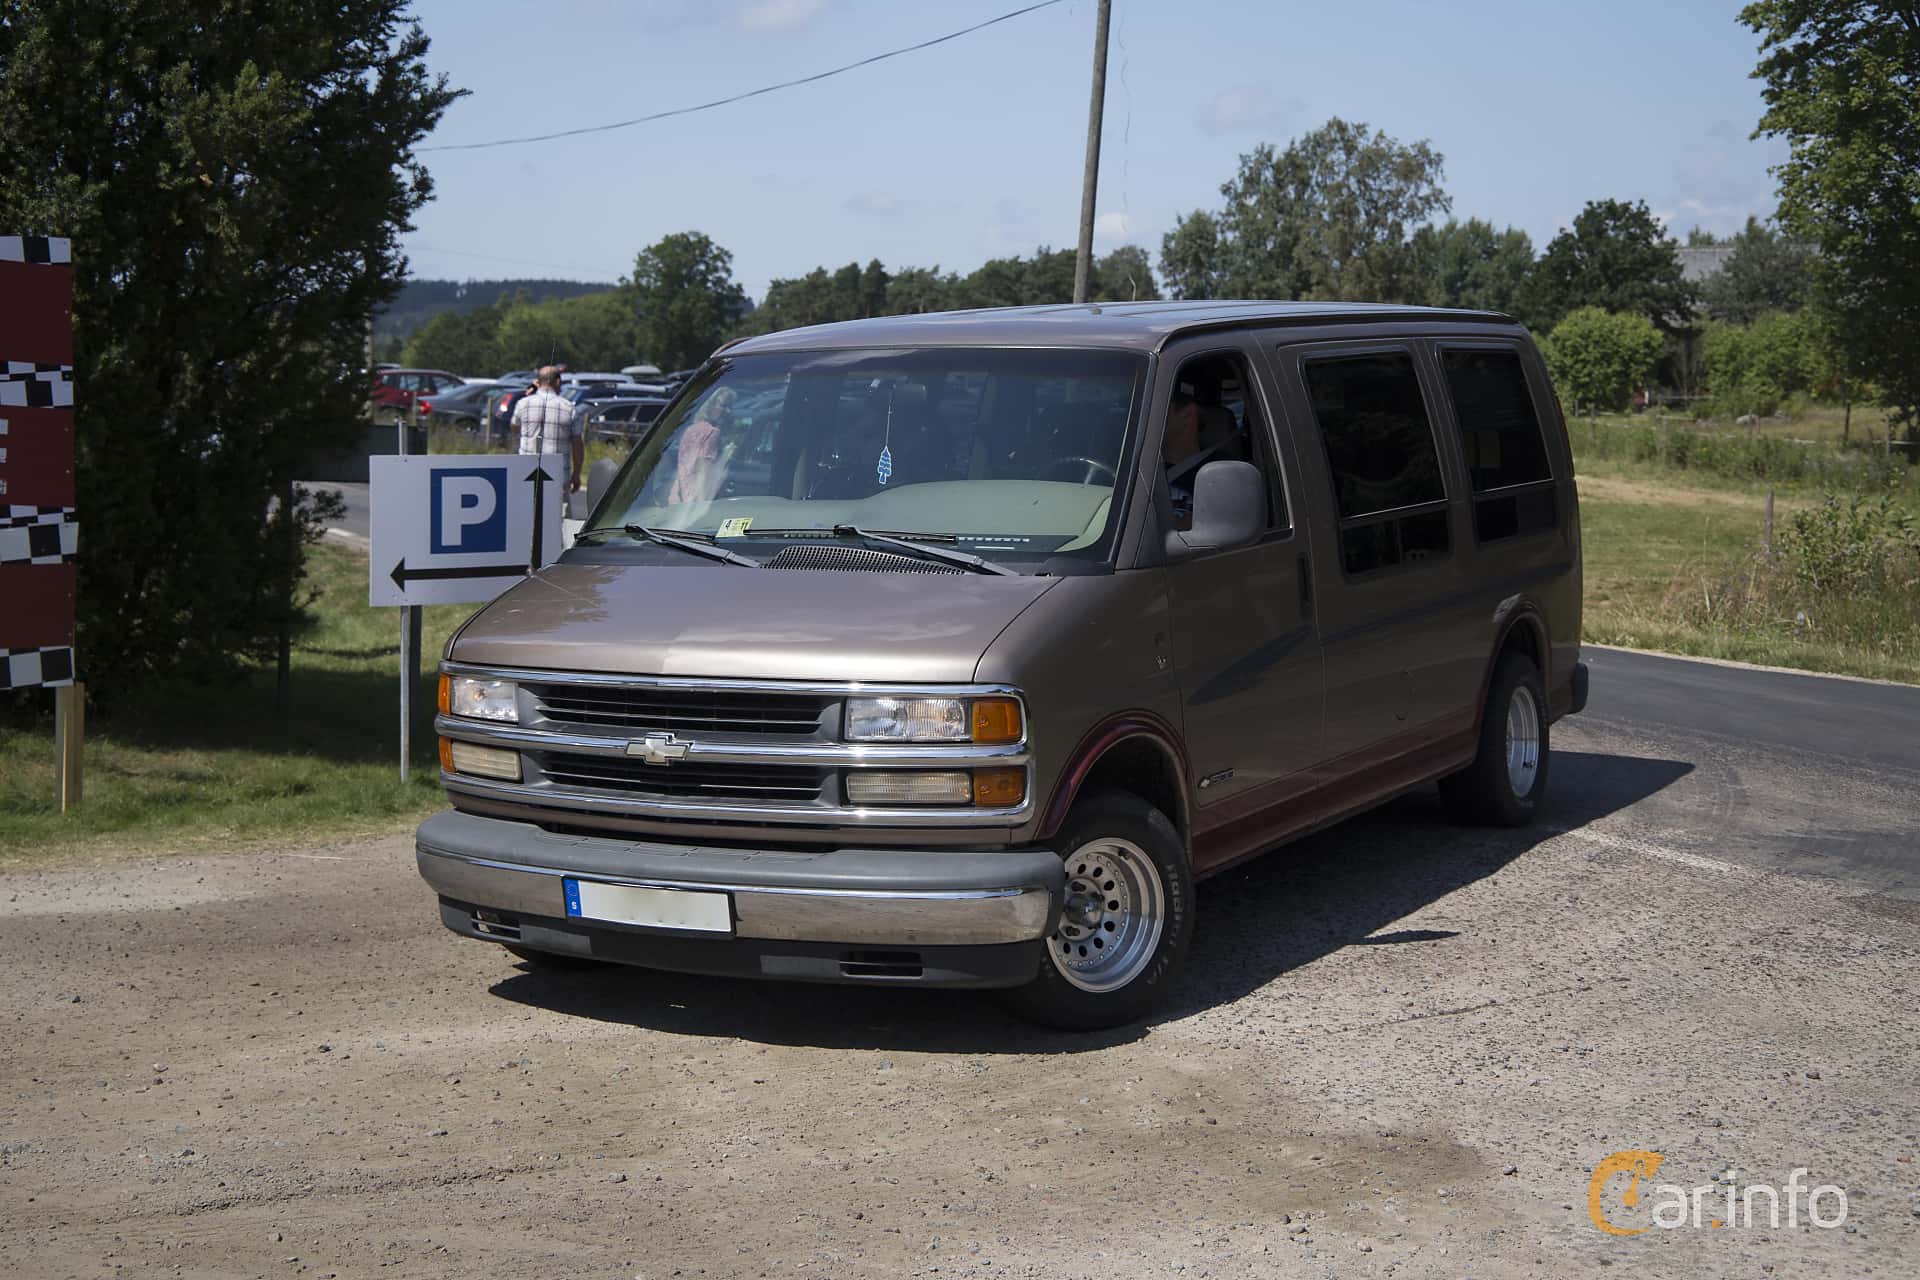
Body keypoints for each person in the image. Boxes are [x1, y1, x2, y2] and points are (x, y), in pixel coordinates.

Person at [1162, 388, 1234, 527]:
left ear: (1188, 414)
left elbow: (1224, 528)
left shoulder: (1222, 472)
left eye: (1155, 408)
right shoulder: (1136, 467)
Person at [512, 366, 585, 494]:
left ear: (538, 382)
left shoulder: (523, 404)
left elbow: (514, 427)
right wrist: (576, 473)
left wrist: (528, 393)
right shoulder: (569, 408)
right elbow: (577, 444)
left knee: (527, 512)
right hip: (558, 477)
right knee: (558, 512)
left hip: (526, 475)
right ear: (557, 382)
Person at [666, 386, 737, 505]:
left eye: (730, 407)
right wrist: (726, 455)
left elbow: (684, 466)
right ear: (710, 405)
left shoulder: (691, 429)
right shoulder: (713, 433)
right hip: (697, 500)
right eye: (723, 406)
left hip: (678, 498)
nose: (728, 411)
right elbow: (702, 469)